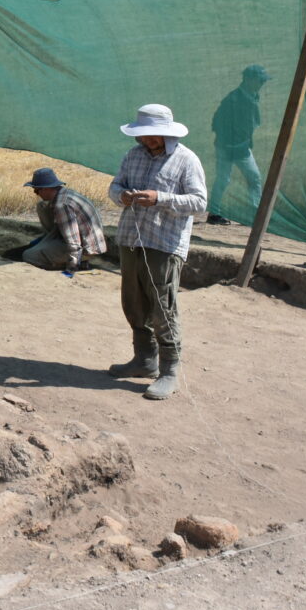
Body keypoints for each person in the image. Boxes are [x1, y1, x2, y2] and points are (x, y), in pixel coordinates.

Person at [107, 104, 208, 401]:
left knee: (163, 305)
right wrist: (122, 196)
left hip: (164, 243)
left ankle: (169, 371)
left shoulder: (186, 160)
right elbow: (115, 186)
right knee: (133, 301)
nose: (147, 141)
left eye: (153, 136)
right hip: (131, 238)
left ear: (166, 133)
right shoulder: (133, 155)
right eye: (144, 136)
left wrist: (159, 198)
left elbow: (199, 202)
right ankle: (144, 360)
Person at [208, 64, 270, 225]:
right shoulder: (233, 100)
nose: (262, 84)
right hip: (230, 148)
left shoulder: (251, 95)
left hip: (241, 147)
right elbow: (216, 123)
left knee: (245, 178)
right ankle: (216, 214)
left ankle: (254, 214)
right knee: (230, 179)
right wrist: (229, 144)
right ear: (248, 80)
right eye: (260, 80)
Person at [20, 167, 107, 274]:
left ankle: (79, 263)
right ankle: (50, 241)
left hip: (87, 248)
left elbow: (74, 242)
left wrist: (72, 267)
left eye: (36, 190)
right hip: (87, 241)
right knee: (42, 206)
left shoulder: (62, 206)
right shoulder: (65, 193)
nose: (36, 193)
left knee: (28, 256)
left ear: (46, 189)